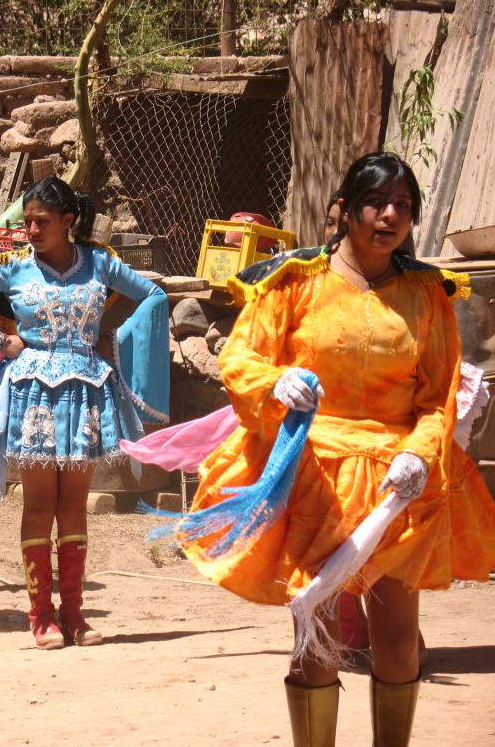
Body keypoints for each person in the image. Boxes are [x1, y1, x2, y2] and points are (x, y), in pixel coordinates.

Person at [173, 153, 495, 745]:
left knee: (397, 636)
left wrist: (420, 455)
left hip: (399, 482)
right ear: (346, 209)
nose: (390, 214)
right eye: (377, 201)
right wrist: (276, 385)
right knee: (317, 634)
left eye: (403, 204)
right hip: (315, 472)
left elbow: (439, 395)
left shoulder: (427, 292)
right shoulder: (291, 281)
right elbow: (242, 358)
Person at [0, 177, 170, 650]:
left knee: (73, 508)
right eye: (26, 222)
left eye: (42, 222)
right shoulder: (13, 268)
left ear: (69, 222)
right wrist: (1, 342)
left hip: (86, 395)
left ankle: (75, 615)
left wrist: (118, 342)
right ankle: (40, 614)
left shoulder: (102, 264)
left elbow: (153, 296)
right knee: (41, 505)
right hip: (33, 398)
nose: (31, 230)